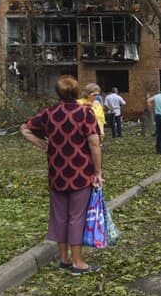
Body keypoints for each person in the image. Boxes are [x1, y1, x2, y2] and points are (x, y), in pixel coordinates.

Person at [20, 75, 103, 275]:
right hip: (81, 171)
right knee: (76, 216)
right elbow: (94, 143)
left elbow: (24, 129)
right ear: (76, 92)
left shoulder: (49, 113)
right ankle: (77, 263)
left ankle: (64, 259)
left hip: (56, 172)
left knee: (59, 215)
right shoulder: (85, 113)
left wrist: (43, 145)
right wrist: (98, 172)